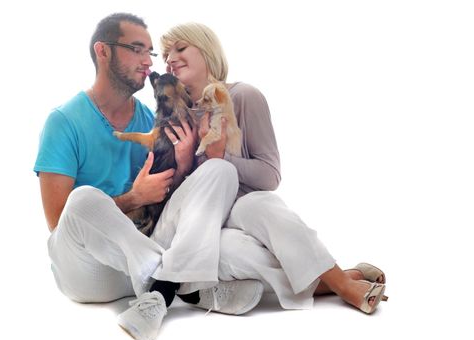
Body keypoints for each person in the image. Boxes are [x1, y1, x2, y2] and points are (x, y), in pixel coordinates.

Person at [34, 13, 264, 340]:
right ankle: (189, 287)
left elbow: (174, 206)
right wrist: (133, 198)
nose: (149, 61)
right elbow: (59, 221)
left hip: (144, 254)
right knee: (83, 198)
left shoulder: (151, 117)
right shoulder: (64, 122)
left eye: (150, 53)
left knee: (220, 171)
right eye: (137, 49)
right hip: (87, 269)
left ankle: (161, 292)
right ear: (104, 51)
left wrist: (184, 165)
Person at [159, 22, 388, 315]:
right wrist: (182, 164)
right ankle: (329, 279)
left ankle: (343, 285)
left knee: (260, 206)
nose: (170, 59)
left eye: (180, 48)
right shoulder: (172, 117)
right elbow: (175, 200)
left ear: (207, 52)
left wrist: (222, 158)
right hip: (205, 226)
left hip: (246, 208)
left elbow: (270, 175)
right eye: (166, 54)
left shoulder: (243, 97)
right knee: (228, 253)